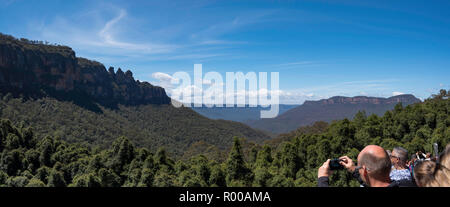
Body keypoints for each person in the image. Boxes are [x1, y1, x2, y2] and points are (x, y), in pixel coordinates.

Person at [317, 145, 416, 187]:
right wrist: (354, 169)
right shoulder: (409, 183)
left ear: (364, 171)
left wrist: (322, 179)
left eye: (359, 168)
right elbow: (373, 182)